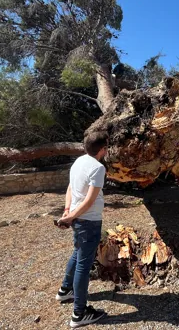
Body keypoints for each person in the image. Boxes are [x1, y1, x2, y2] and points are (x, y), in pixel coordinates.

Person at [55, 131, 110, 328]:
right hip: (89, 222)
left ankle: (65, 291)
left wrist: (68, 210)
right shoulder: (98, 168)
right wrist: (70, 215)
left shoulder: (79, 161)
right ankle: (79, 313)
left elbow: (70, 188)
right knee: (83, 265)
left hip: (78, 220)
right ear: (103, 149)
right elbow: (89, 200)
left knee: (77, 254)